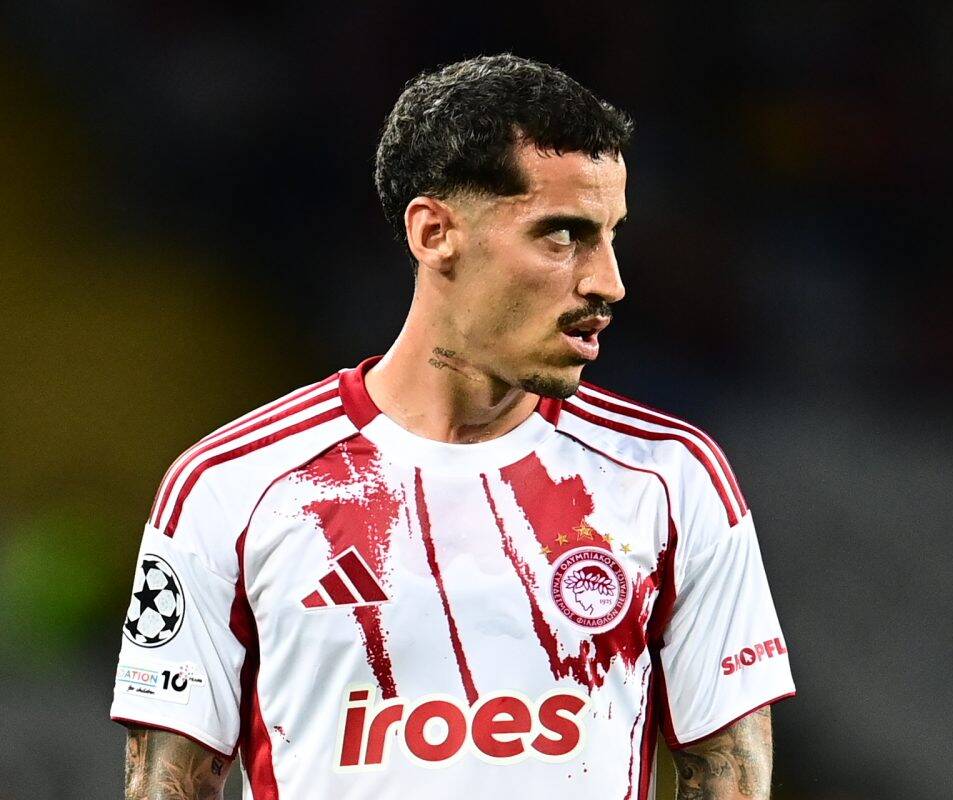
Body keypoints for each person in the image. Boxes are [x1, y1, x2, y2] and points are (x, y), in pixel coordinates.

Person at [113, 53, 794, 799]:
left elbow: (729, 778)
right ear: (435, 232)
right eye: (562, 236)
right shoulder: (232, 487)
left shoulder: (670, 480)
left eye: (611, 236)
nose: (609, 281)